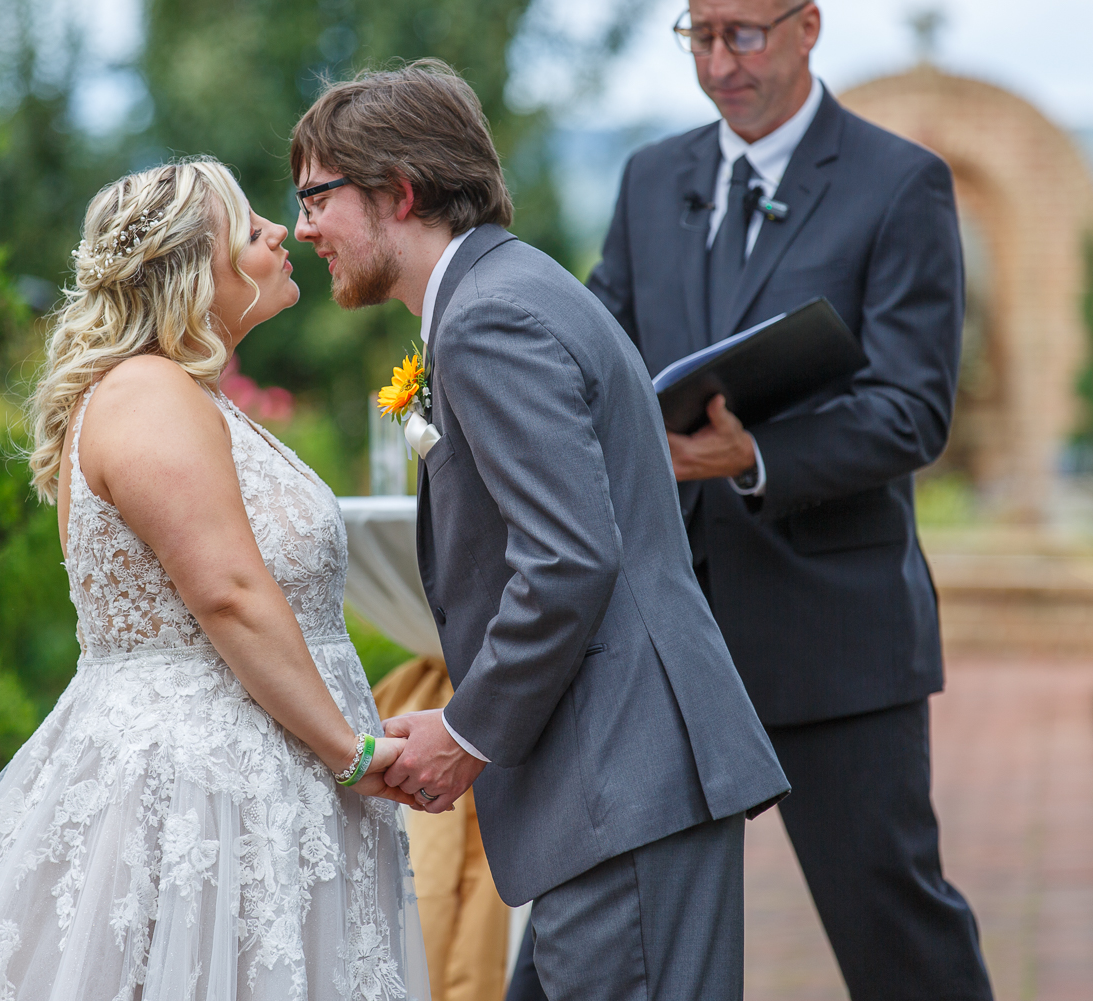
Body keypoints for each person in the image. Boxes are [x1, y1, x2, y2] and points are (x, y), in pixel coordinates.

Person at [0, 158, 429, 1001]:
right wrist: (349, 750)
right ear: (195, 269)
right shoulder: (148, 392)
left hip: (257, 772)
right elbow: (228, 592)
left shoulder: (185, 394)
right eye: (250, 226)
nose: (280, 231)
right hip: (200, 788)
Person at [292, 60, 790, 1001]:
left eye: (318, 196)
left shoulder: (488, 318)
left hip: (619, 781)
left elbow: (568, 558)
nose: (303, 226)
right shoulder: (508, 287)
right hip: (621, 778)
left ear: (400, 191)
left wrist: (466, 731)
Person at [582, 3, 994, 1000]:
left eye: (745, 35)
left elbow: (912, 410)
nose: (719, 63)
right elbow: (599, 347)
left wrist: (754, 454)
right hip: (664, 627)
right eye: (700, 36)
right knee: (597, 921)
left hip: (832, 632)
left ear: (808, 26)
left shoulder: (900, 183)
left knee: (894, 932)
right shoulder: (650, 178)